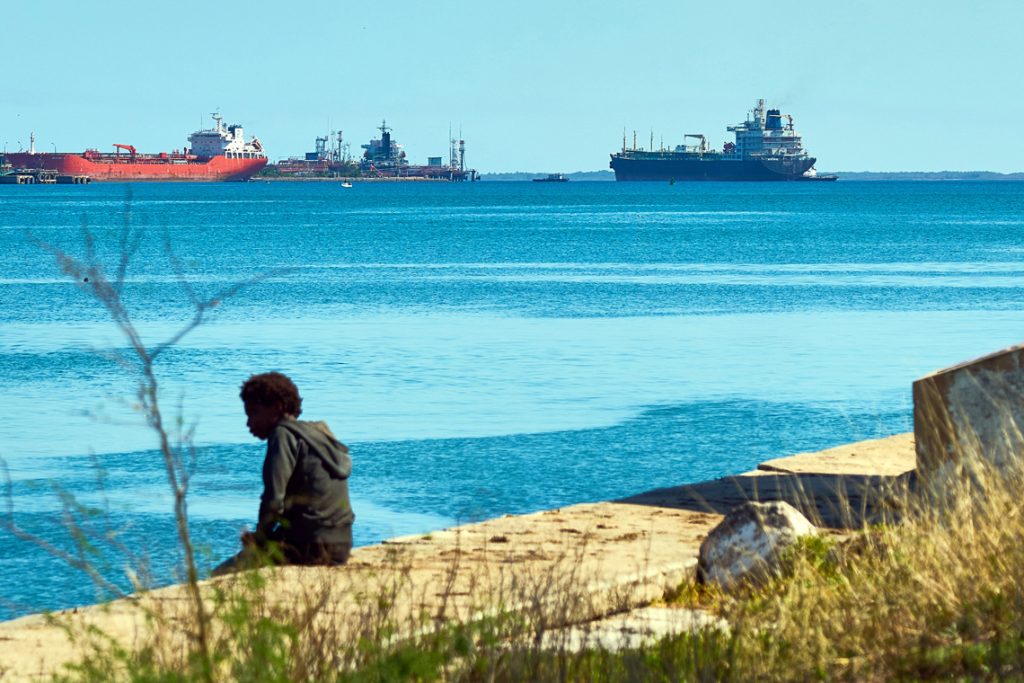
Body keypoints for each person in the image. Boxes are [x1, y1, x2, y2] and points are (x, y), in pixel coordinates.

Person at [213, 372, 354, 576]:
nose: (248, 423)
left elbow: (274, 500)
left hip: (310, 547)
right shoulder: (319, 433)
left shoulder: (283, 435)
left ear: (277, 408)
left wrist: (259, 541)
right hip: (341, 544)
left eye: (253, 413)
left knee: (223, 574)